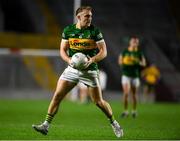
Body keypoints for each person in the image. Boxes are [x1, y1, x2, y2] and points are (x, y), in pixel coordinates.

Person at [32, 6, 123, 138]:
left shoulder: (95, 31)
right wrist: (69, 60)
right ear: (79, 17)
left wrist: (91, 60)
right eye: (87, 16)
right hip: (72, 69)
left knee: (98, 102)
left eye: (91, 16)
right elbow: (62, 50)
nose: (90, 18)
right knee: (57, 96)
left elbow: (104, 52)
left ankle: (114, 123)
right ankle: (46, 125)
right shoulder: (68, 30)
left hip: (89, 70)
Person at [118, 36, 146, 118]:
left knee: (134, 94)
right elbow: (120, 61)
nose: (135, 43)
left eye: (136, 42)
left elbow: (144, 63)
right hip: (126, 75)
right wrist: (125, 62)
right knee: (126, 93)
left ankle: (134, 111)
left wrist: (137, 62)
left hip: (135, 76)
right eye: (133, 41)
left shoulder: (139, 53)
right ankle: (125, 111)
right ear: (130, 42)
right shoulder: (125, 51)